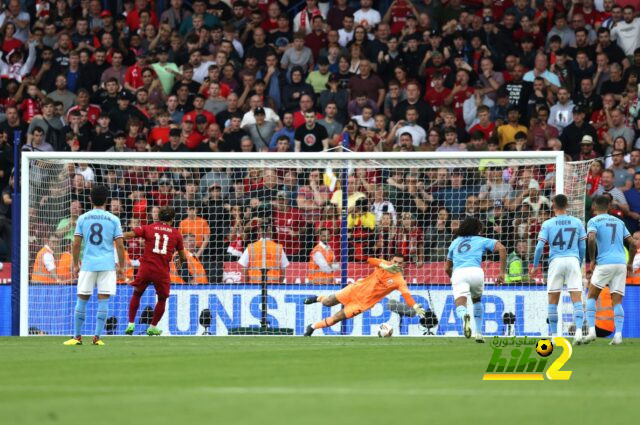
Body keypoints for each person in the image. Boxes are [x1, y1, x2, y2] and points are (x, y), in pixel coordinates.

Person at [303, 253, 426, 336]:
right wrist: (383, 265)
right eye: (395, 261)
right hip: (355, 289)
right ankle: (318, 298)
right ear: (391, 260)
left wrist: (414, 306)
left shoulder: (399, 280)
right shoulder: (382, 264)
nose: (397, 265)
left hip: (363, 303)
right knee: (328, 302)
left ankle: (313, 327)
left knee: (337, 317)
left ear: (403, 265)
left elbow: (407, 296)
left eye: (400, 263)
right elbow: (369, 260)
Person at [64, 185, 125, 346]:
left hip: (88, 264)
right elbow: (119, 245)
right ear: (107, 200)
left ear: (90, 199)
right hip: (107, 265)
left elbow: (76, 244)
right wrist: (122, 266)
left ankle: (77, 337)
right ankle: (97, 338)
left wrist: (75, 263)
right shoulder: (113, 219)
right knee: (103, 300)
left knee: (82, 299)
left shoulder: (83, 218)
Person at [123, 206, 187, 336]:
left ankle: (130, 324)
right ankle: (152, 327)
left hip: (146, 268)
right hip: (162, 271)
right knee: (162, 299)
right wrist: (179, 264)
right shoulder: (176, 233)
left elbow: (130, 234)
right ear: (172, 220)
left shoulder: (149, 228)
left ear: (158, 217)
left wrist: (118, 236)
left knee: (137, 294)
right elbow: (182, 256)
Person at [531, 194, 587, 344]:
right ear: (567, 205)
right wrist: (579, 262)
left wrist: (535, 266)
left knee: (553, 299)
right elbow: (583, 246)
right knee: (576, 297)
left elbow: (539, 248)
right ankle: (580, 332)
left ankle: (555, 336)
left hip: (556, 261)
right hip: (573, 260)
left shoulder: (548, 224)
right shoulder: (577, 222)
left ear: (553, 205)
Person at [585, 195, 637, 345]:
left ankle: (591, 332)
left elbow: (591, 238)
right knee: (617, 301)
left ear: (594, 206)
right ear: (609, 207)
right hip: (621, 264)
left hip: (605, 263)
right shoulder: (619, 222)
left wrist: (593, 259)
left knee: (591, 297)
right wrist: (630, 263)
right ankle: (618, 335)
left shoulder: (593, 221)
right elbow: (633, 243)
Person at [445, 216, 506, 343]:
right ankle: (478, 333)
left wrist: (454, 278)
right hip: (476, 272)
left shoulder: (454, 243)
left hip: (459, 273)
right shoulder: (481, 240)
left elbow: (447, 268)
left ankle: (464, 316)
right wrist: (501, 272)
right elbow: (502, 248)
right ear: (477, 229)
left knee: (460, 304)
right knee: (477, 300)